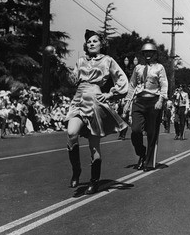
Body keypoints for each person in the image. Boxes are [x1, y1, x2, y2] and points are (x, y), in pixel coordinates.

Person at [65, 29, 128, 194]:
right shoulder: (80, 60)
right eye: (89, 41)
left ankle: (94, 181)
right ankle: (76, 170)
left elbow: (121, 79)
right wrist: (69, 75)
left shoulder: (108, 60)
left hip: (94, 101)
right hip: (78, 99)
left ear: (101, 44)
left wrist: (110, 94)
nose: (91, 43)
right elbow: (73, 79)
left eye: (95, 41)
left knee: (94, 146)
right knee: (72, 133)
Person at [124, 42, 168, 171]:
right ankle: (141, 153)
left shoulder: (159, 68)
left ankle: (148, 162)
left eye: (150, 52)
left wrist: (161, 99)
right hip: (139, 101)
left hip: (153, 101)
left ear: (155, 54)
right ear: (142, 54)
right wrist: (127, 102)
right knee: (135, 130)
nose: (148, 55)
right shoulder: (138, 68)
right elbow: (132, 85)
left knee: (151, 133)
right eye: (145, 53)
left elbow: (164, 84)